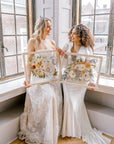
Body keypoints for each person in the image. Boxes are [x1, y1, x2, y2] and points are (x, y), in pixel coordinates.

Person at [61, 24, 111, 144]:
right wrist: (62, 55)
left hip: (80, 81)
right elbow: (63, 62)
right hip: (67, 79)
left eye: (75, 34)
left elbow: (92, 67)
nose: (72, 35)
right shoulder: (67, 45)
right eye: (71, 33)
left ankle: (75, 130)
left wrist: (92, 82)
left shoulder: (86, 49)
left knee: (76, 104)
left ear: (81, 36)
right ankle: (69, 131)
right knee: (68, 103)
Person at [18, 17, 62, 144]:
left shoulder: (52, 42)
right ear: (41, 27)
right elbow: (28, 62)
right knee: (50, 97)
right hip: (38, 78)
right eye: (48, 26)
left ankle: (52, 131)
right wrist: (27, 80)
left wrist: (60, 54)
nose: (50, 29)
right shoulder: (33, 42)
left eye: (50, 26)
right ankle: (42, 133)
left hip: (51, 77)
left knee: (56, 97)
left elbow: (54, 61)